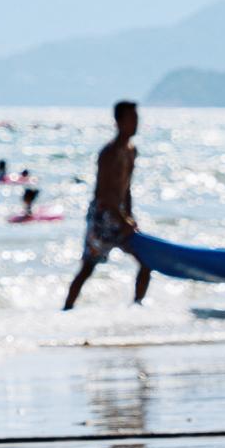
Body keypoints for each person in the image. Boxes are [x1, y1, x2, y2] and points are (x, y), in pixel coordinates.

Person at [63, 101, 150, 310]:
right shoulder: (109, 153)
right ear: (119, 122)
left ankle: (137, 306)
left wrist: (129, 216)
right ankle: (66, 310)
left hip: (119, 214)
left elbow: (126, 188)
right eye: (131, 118)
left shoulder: (131, 150)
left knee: (146, 261)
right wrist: (122, 220)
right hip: (103, 217)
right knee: (88, 268)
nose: (136, 123)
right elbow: (104, 193)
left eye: (136, 118)